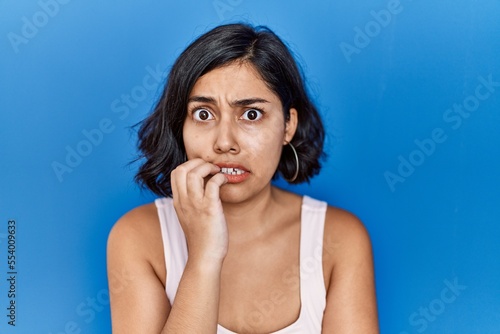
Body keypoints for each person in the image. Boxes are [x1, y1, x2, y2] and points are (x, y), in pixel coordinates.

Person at [107, 23, 379, 333]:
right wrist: (204, 257)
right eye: (203, 114)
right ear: (180, 126)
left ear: (288, 126)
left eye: (251, 114)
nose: (224, 142)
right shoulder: (138, 237)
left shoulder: (340, 240)